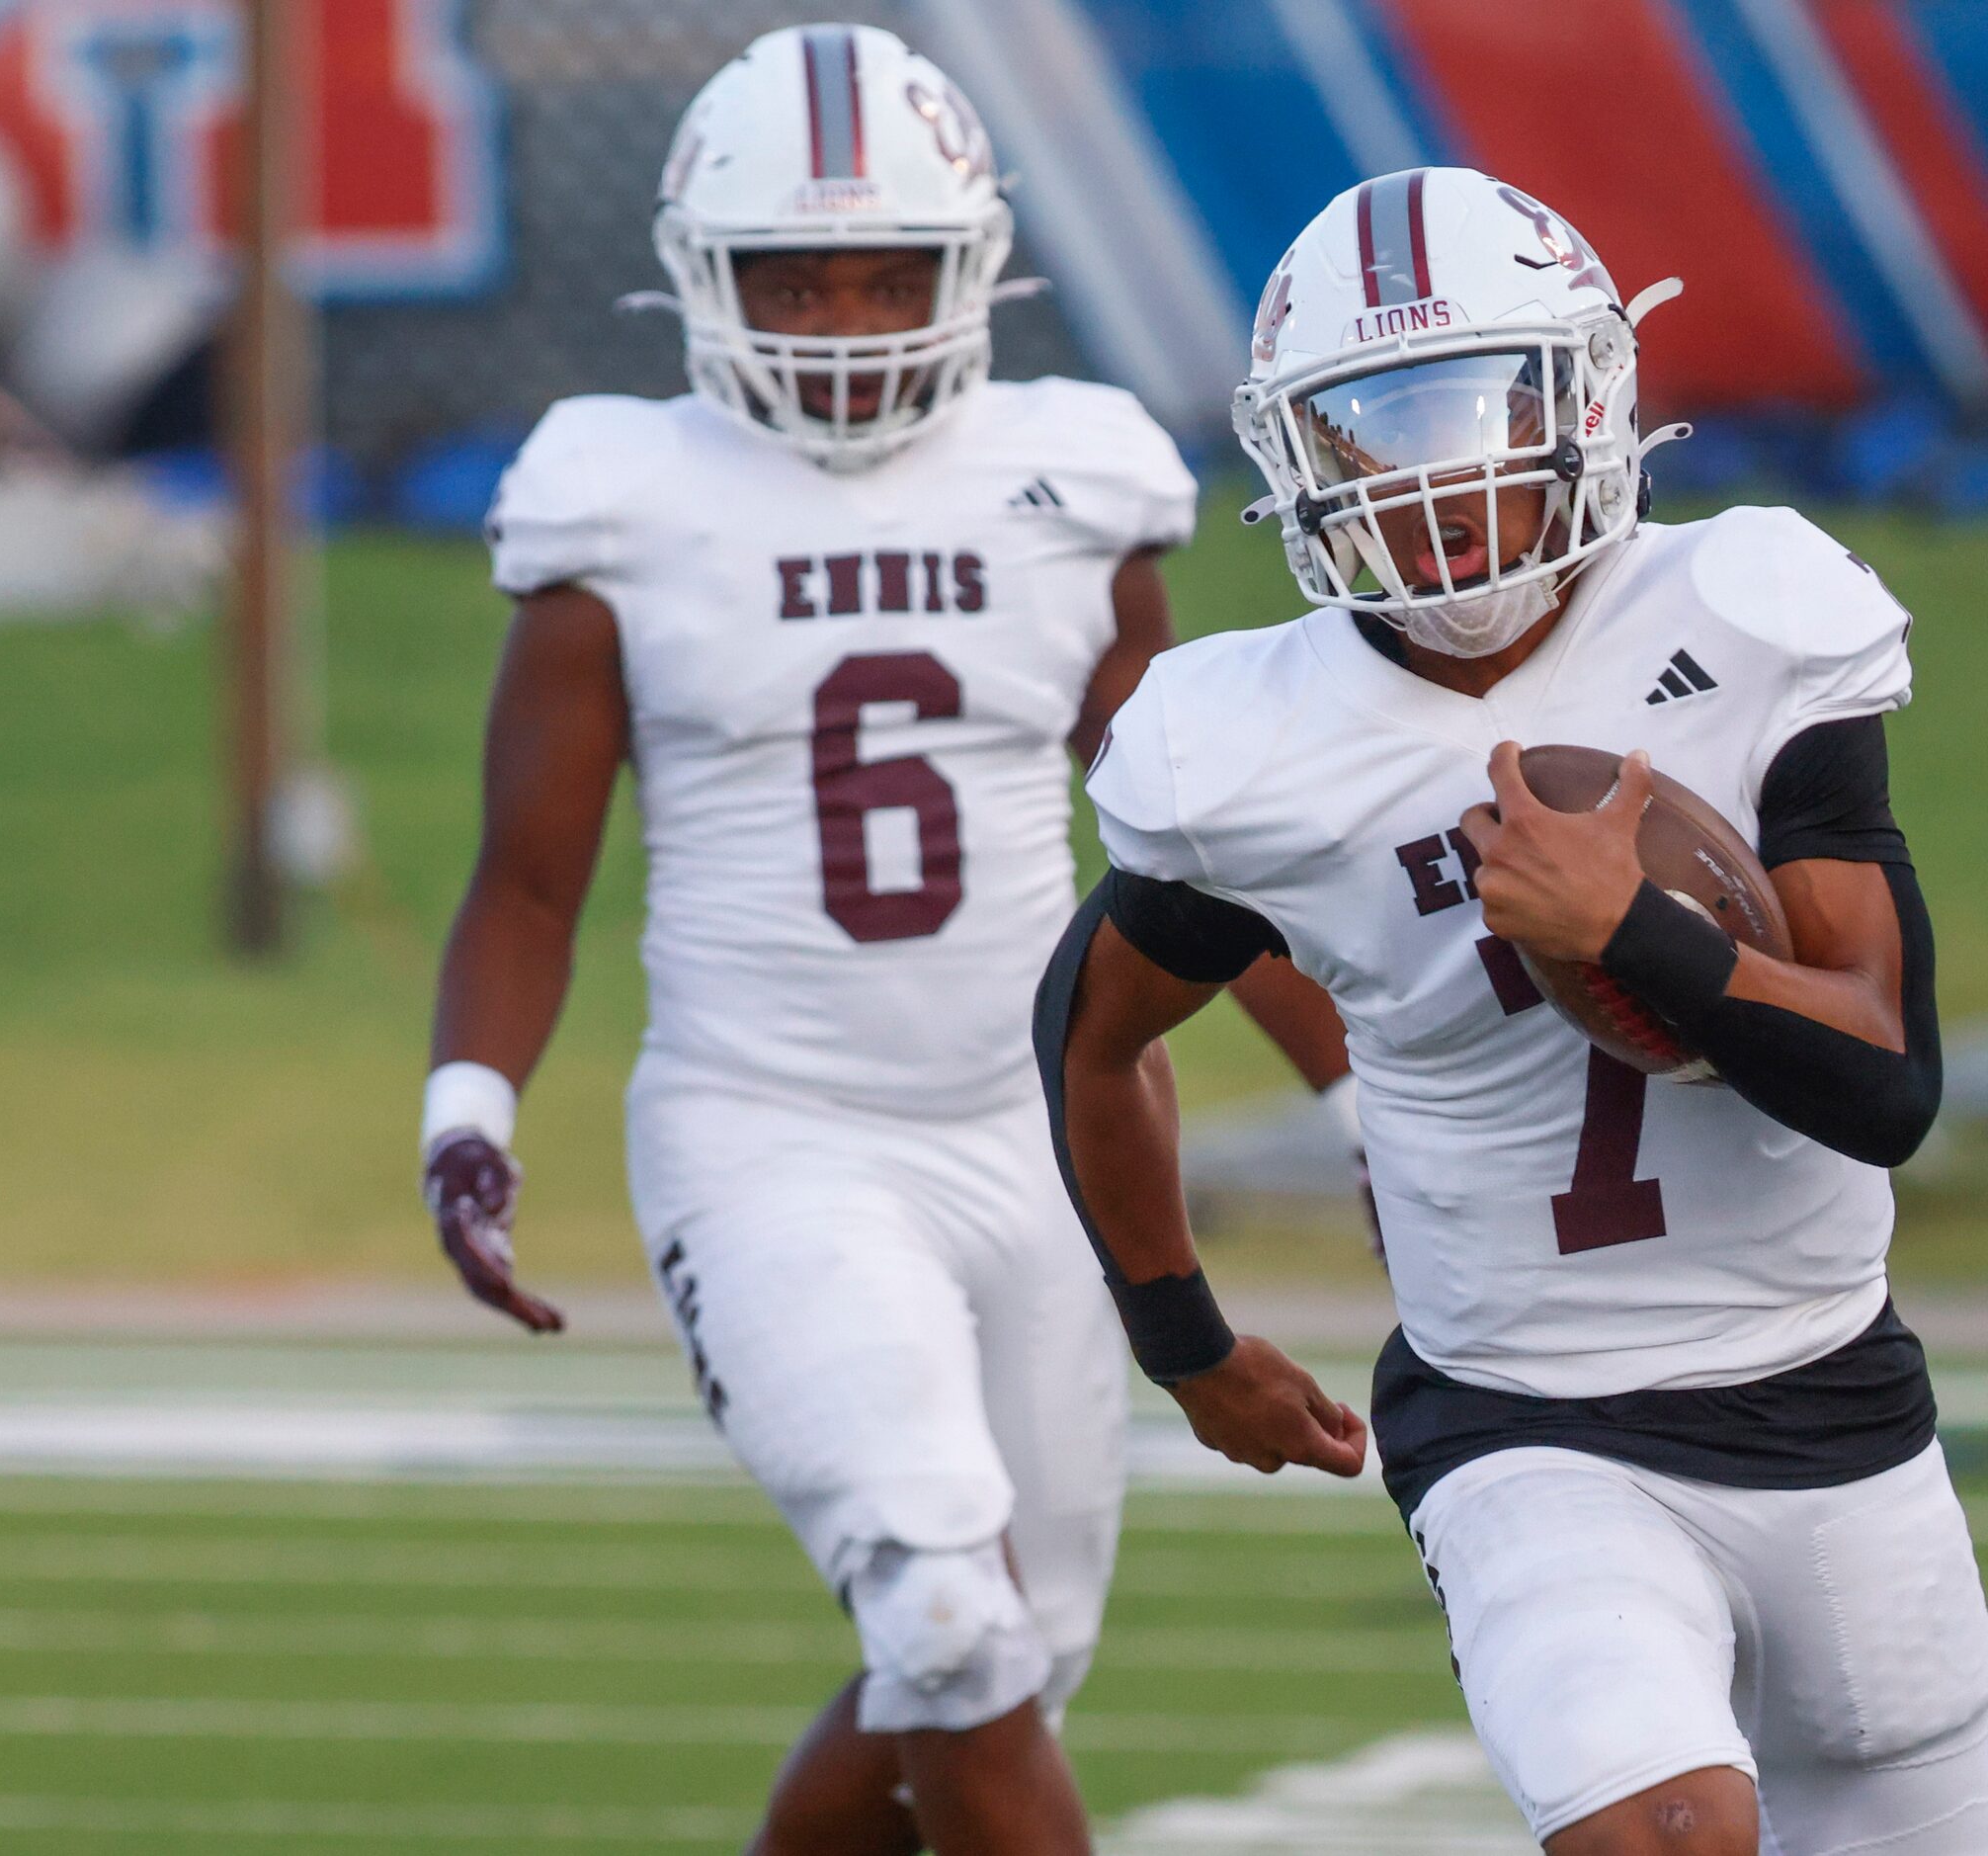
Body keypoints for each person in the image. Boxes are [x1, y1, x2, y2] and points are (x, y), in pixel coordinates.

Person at [421, 27, 1350, 1855]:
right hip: (774, 1133)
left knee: (1005, 1657)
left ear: (972, 269)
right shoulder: (626, 497)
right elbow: (529, 880)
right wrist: (467, 1111)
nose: (844, 318)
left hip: (1051, 1145)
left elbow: (1198, 863)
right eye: (795, 276)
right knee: (942, 1603)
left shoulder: (1074, 482)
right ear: (704, 277)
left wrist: (1385, 1105)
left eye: (886, 273)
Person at [1043, 164, 1986, 1855]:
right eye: (1374, 431)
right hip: (1521, 1413)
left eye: (1478, 405)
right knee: (1664, 1829)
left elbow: (1887, 1084)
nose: (1438, 476)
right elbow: (1093, 1030)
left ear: (1592, 394)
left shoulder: (1753, 613)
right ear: (1295, 458)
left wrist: (1634, 927)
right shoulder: (1245, 743)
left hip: (1829, 1387)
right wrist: (1182, 1342)